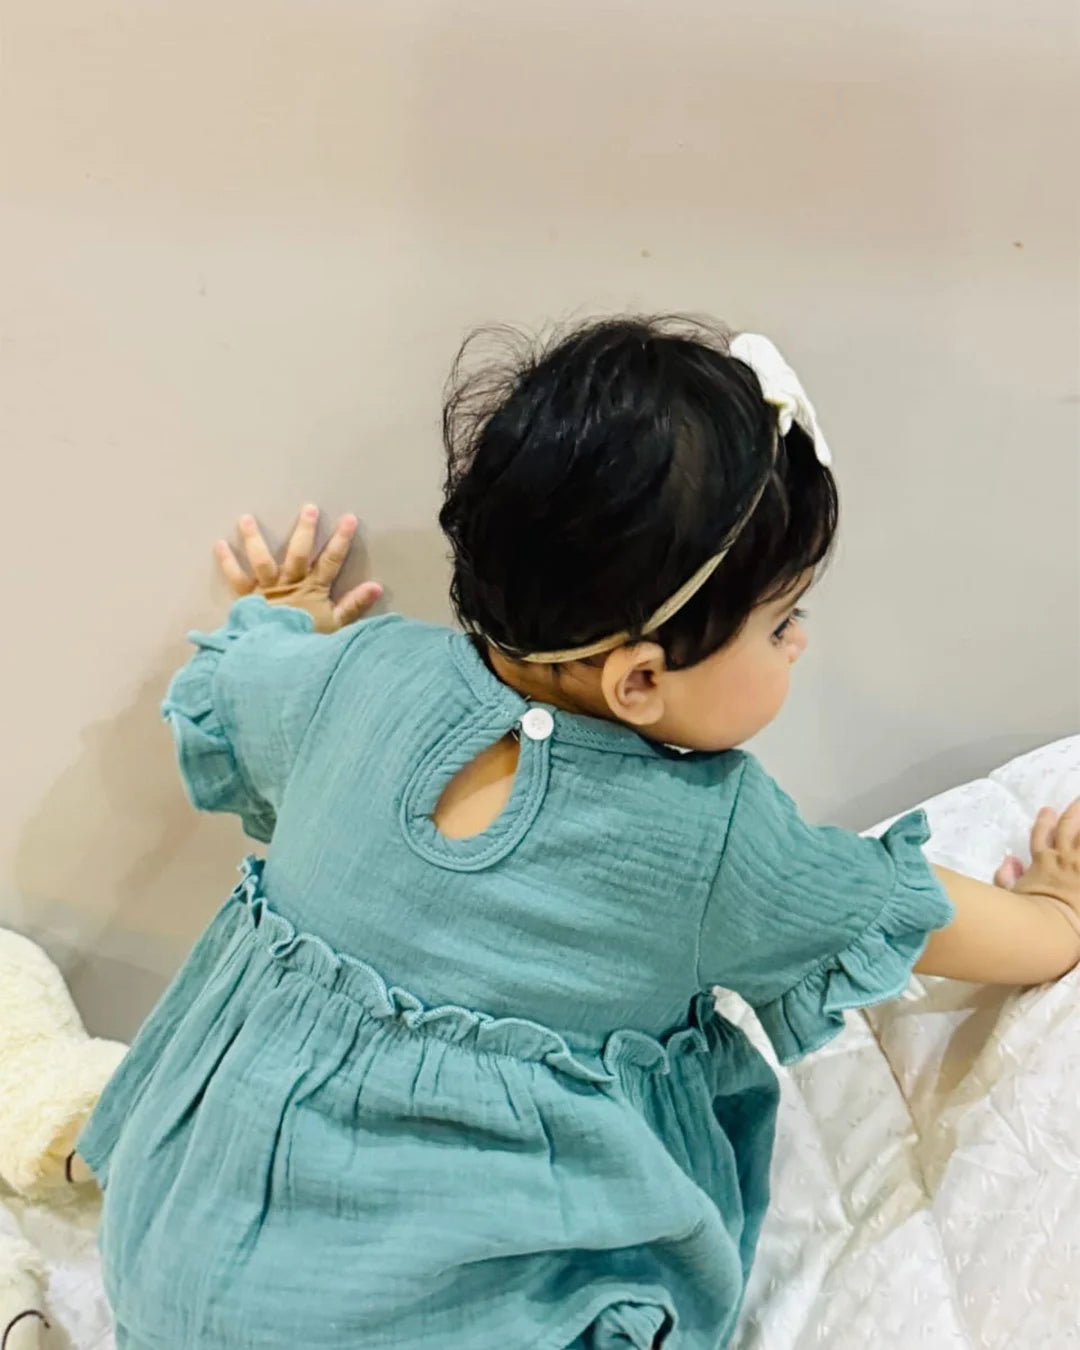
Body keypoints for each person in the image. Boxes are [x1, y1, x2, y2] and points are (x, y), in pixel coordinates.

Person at [79, 317, 1080, 1350]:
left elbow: (235, 682)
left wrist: (283, 607)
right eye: (782, 625)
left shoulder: (355, 673)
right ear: (640, 680)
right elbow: (904, 911)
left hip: (174, 1255)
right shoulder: (709, 835)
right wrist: (1054, 912)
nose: (803, 643)